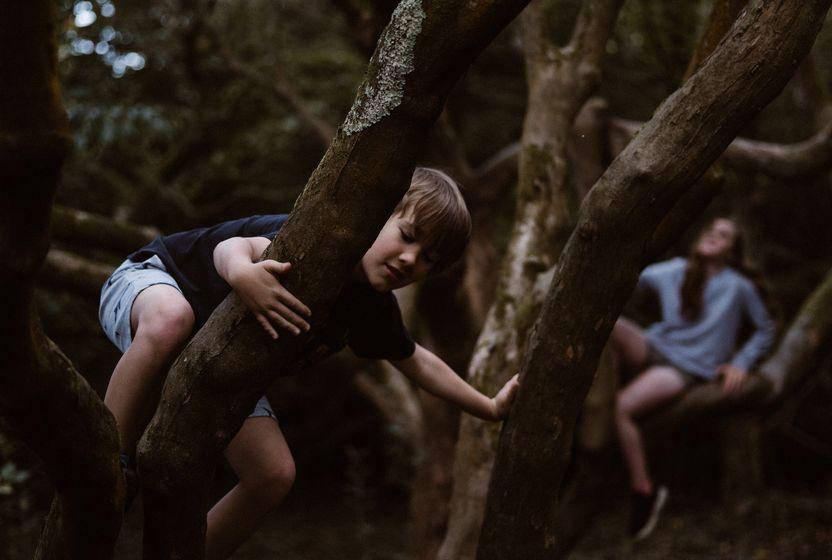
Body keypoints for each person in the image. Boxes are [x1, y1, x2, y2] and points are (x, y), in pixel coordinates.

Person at [99, 167, 519, 560]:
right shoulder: (320, 242)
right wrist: (243, 275)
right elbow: (234, 247)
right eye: (407, 235)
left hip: (215, 366)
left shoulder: (370, 307)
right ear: (376, 215)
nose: (411, 259)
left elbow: (417, 362)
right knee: (172, 319)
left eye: (428, 257)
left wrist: (489, 407)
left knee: (273, 474)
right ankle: (108, 463)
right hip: (150, 283)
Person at [610, 217, 775, 542]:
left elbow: (766, 327)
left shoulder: (738, 287)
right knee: (607, 323)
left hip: (685, 368)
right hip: (654, 346)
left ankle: (644, 489)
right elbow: (627, 278)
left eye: (723, 235)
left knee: (621, 408)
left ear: (732, 249)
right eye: (711, 230)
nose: (714, 236)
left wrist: (740, 362)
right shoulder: (675, 269)